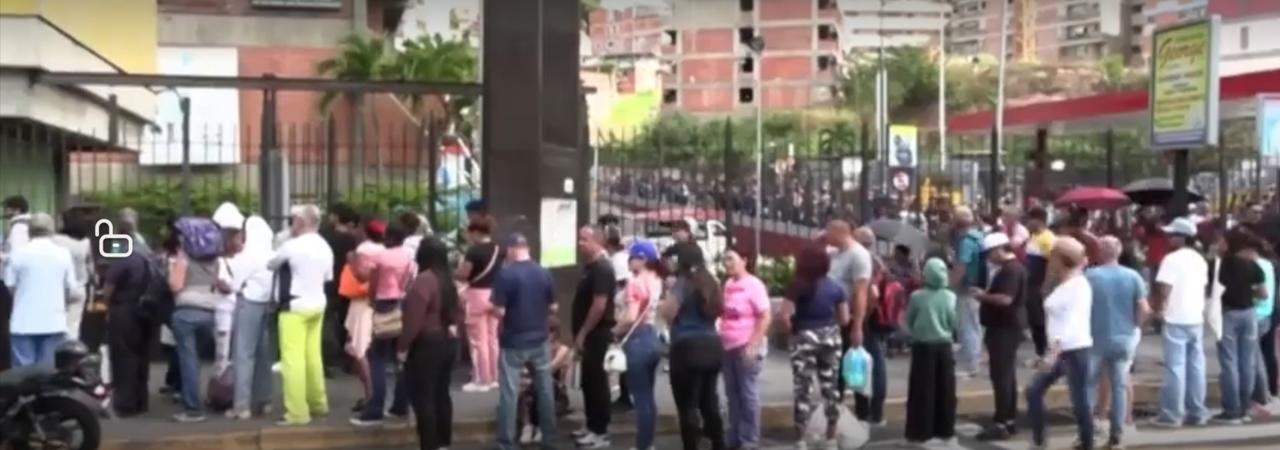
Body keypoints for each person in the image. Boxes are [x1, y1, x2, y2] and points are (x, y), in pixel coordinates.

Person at [1026, 236, 1095, 450]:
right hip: (1064, 349)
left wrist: (1051, 355)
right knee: (1035, 391)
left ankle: (1086, 442)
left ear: (1062, 259)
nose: (1049, 261)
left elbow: (1068, 325)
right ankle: (1039, 440)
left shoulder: (1076, 286)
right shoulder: (1068, 282)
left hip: (1071, 349)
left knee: (1079, 399)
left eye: (1052, 257)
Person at [491, 232, 558, 450]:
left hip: (513, 341)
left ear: (511, 250)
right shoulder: (544, 272)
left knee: (509, 393)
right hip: (540, 339)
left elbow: (500, 311)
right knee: (545, 390)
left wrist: (493, 310)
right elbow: (553, 307)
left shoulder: (505, 275)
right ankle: (549, 439)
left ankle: (506, 442)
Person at [270, 204, 335, 426]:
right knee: (313, 356)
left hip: (295, 306)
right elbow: (327, 277)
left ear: (300, 221)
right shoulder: (325, 247)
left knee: (292, 360)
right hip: (318, 304)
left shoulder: (292, 245)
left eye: (294, 219)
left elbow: (271, 264)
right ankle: (318, 403)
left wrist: (288, 236)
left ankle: (297, 412)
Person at [778, 245, 848, 450]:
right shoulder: (835, 287)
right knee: (831, 387)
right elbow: (844, 319)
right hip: (831, 338)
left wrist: (791, 331)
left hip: (803, 338)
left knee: (803, 388)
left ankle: (801, 439)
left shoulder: (797, 285)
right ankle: (831, 438)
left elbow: (784, 316)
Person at [659, 242, 726, 450]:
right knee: (709, 401)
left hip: (686, 346)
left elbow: (668, 311)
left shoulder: (683, 283)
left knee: (687, 404)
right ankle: (719, 443)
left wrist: (665, 302)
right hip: (712, 344)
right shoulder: (712, 281)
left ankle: (691, 445)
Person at [1084, 236, 1149, 448]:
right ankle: (1117, 433)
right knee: (1119, 385)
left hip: (1095, 337)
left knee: (1089, 385)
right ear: (1118, 252)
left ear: (1100, 252)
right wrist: (1135, 326)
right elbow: (1143, 308)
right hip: (1124, 337)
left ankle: (1089, 431)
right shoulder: (1133, 276)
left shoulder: (1090, 276)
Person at [399, 237, 460, 450]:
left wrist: (402, 347)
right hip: (448, 342)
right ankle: (444, 441)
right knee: (442, 393)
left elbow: (413, 320)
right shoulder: (448, 279)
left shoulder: (424, 281)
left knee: (424, 396)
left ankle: (429, 444)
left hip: (426, 344)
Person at [1151, 217, 1211, 428]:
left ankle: (1172, 414)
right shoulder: (1200, 259)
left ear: (1181, 238)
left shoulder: (1171, 259)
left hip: (1175, 316)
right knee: (1196, 367)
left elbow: (1164, 288)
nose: (1168, 238)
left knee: (1175, 367)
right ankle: (1197, 411)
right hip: (1195, 316)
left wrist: (1160, 310)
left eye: (1171, 235)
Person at [351, 224, 414, 426]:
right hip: (402, 303)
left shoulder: (381, 257)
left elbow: (373, 282)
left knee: (377, 358)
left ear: (389, 238)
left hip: (383, 303)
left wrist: (371, 301)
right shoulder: (409, 255)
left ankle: (375, 409)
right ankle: (400, 406)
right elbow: (410, 280)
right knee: (401, 358)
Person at [971, 232, 1027, 442]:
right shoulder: (1012, 268)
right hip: (1005, 327)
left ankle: (1002, 422)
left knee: (1001, 376)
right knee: (1006, 375)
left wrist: (983, 296)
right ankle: (1008, 420)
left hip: (1004, 328)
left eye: (989, 253)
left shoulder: (1010, 270)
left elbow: (1005, 299)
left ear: (998, 250)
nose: (988, 258)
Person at [168, 219, 225, 423]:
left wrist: (171, 270)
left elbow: (175, 286)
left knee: (188, 362)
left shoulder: (183, 259)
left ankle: (192, 409)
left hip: (185, 315)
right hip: (209, 314)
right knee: (198, 361)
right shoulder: (215, 261)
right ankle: (200, 400)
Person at [99, 215, 155, 417]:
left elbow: (108, 289)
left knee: (123, 357)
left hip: (124, 309)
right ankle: (141, 401)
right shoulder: (146, 254)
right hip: (145, 310)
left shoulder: (123, 257)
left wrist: (105, 304)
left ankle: (125, 403)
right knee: (141, 356)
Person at [3, 212, 74, 368]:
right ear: (52, 230)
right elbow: (69, 289)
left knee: (22, 374)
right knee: (49, 372)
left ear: (29, 230)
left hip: (23, 322)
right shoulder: (63, 254)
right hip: (54, 322)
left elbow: (10, 286)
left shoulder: (18, 254)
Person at [570, 226, 618, 449]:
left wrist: (583, 333)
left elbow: (599, 306)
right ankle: (591, 425)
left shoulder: (602, 269)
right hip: (588, 335)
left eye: (585, 239)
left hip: (597, 334)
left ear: (598, 241)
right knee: (588, 382)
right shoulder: (588, 268)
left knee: (597, 382)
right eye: (579, 239)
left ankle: (600, 431)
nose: (580, 243)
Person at [1214, 230, 1267, 424]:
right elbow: (1263, 294)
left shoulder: (1221, 265)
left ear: (1229, 244)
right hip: (1249, 313)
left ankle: (1231, 409)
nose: (1218, 244)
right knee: (1247, 362)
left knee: (1229, 362)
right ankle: (1245, 407)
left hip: (1228, 314)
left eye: (1221, 241)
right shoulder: (1252, 265)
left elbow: (1214, 290)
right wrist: (1247, 292)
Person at [612, 239, 662, 450]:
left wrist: (614, 331)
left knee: (640, 397)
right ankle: (648, 443)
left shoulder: (635, 282)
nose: (629, 261)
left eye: (632, 257)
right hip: (652, 335)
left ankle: (642, 446)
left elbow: (631, 316)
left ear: (642, 259)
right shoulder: (656, 280)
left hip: (637, 339)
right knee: (648, 396)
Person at [720, 247, 771, 450]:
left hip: (746, 345)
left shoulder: (754, 285)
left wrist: (753, 344)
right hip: (727, 345)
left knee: (748, 394)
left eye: (731, 259)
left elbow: (765, 316)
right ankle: (735, 435)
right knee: (732, 394)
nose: (727, 264)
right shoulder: (728, 284)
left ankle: (750, 438)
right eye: (725, 260)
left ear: (744, 260)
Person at [227, 215, 276, 420]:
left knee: (243, 353)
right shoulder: (272, 254)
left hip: (248, 302)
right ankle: (264, 400)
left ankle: (241, 405)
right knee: (264, 353)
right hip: (268, 304)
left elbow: (234, 284)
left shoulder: (247, 255)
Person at [903, 257, 957, 445]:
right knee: (945, 389)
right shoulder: (950, 296)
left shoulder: (916, 296)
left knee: (922, 391)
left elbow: (909, 320)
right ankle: (945, 430)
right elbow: (953, 322)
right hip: (944, 345)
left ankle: (920, 432)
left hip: (922, 346)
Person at [823, 220, 873, 391]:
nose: (826, 236)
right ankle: (836, 400)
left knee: (854, 368)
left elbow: (861, 292)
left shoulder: (859, 255)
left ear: (839, 233)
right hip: (833, 318)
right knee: (835, 366)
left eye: (828, 233)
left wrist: (857, 327)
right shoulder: (833, 253)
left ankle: (862, 403)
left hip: (850, 317)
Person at [456, 218, 503, 393]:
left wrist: (456, 272)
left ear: (476, 232)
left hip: (476, 296)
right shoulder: (498, 249)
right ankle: (494, 377)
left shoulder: (473, 251)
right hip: (495, 295)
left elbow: (463, 274)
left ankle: (481, 379)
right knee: (492, 338)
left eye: (469, 232)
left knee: (477, 340)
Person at [346, 219, 384, 412]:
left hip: (362, 302)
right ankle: (372, 394)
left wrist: (351, 261)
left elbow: (361, 274)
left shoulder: (363, 249)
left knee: (360, 350)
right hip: (378, 301)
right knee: (366, 350)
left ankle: (371, 395)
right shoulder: (384, 249)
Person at [320, 203, 360, 377]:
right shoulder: (350, 239)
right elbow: (353, 262)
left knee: (325, 323)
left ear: (336, 217)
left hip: (326, 283)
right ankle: (347, 360)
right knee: (345, 322)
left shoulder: (323, 235)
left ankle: (324, 361)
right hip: (345, 284)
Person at [949, 206, 986, 378]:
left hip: (967, 288)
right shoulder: (979, 237)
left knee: (967, 327)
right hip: (979, 286)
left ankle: (972, 365)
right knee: (975, 326)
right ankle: (975, 359)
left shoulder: (965, 242)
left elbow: (961, 267)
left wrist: (949, 285)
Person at [51, 210, 91, 341]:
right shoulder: (86, 242)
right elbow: (89, 266)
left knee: (56, 323)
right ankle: (71, 349)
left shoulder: (55, 240)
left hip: (59, 287)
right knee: (74, 325)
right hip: (79, 287)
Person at [1024, 207, 1057, 360]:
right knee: (1034, 318)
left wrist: (1046, 285)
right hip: (1031, 284)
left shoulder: (1048, 239)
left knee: (1041, 319)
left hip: (1040, 284)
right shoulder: (1033, 237)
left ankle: (1046, 353)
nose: (1027, 223)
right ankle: (1040, 352)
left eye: (1029, 220)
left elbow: (1052, 263)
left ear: (1038, 220)